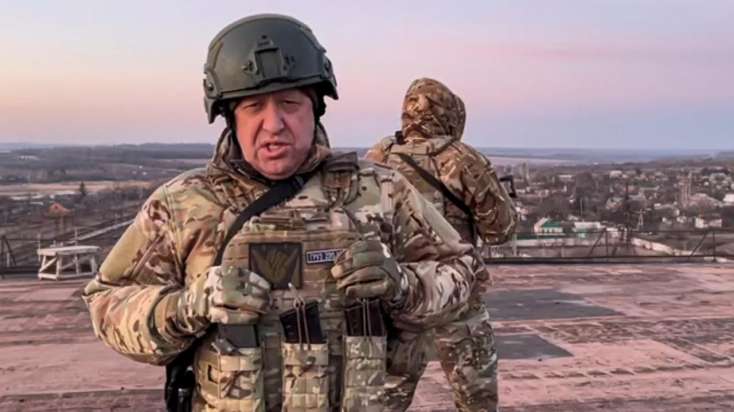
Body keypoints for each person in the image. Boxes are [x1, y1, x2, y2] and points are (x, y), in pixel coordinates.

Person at [82, 15, 485, 412]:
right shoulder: (184, 204)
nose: (273, 124)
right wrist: (188, 306)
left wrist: (402, 286)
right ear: (230, 117)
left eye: (290, 104)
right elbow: (107, 304)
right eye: (253, 106)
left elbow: (465, 273)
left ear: (316, 108)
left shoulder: (380, 192)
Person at [365, 78, 518, 412]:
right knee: (476, 401)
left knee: (381, 403)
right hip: (457, 298)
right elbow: (500, 231)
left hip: (398, 300)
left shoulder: (377, 157)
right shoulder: (462, 159)